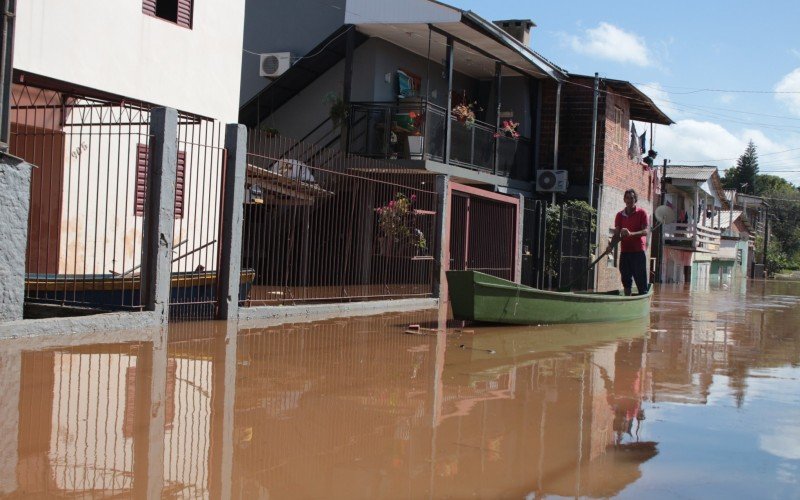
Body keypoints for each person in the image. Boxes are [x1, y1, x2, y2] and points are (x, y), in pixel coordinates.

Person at [612, 189, 649, 295]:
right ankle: (627, 299)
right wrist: (610, 246)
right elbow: (616, 234)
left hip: (638, 252)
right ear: (624, 199)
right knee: (626, 279)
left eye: (632, 198)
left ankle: (642, 296)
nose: (629, 200)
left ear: (635, 200)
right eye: (627, 198)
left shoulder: (642, 213)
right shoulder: (619, 215)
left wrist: (630, 234)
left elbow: (645, 231)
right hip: (625, 252)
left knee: (641, 281)